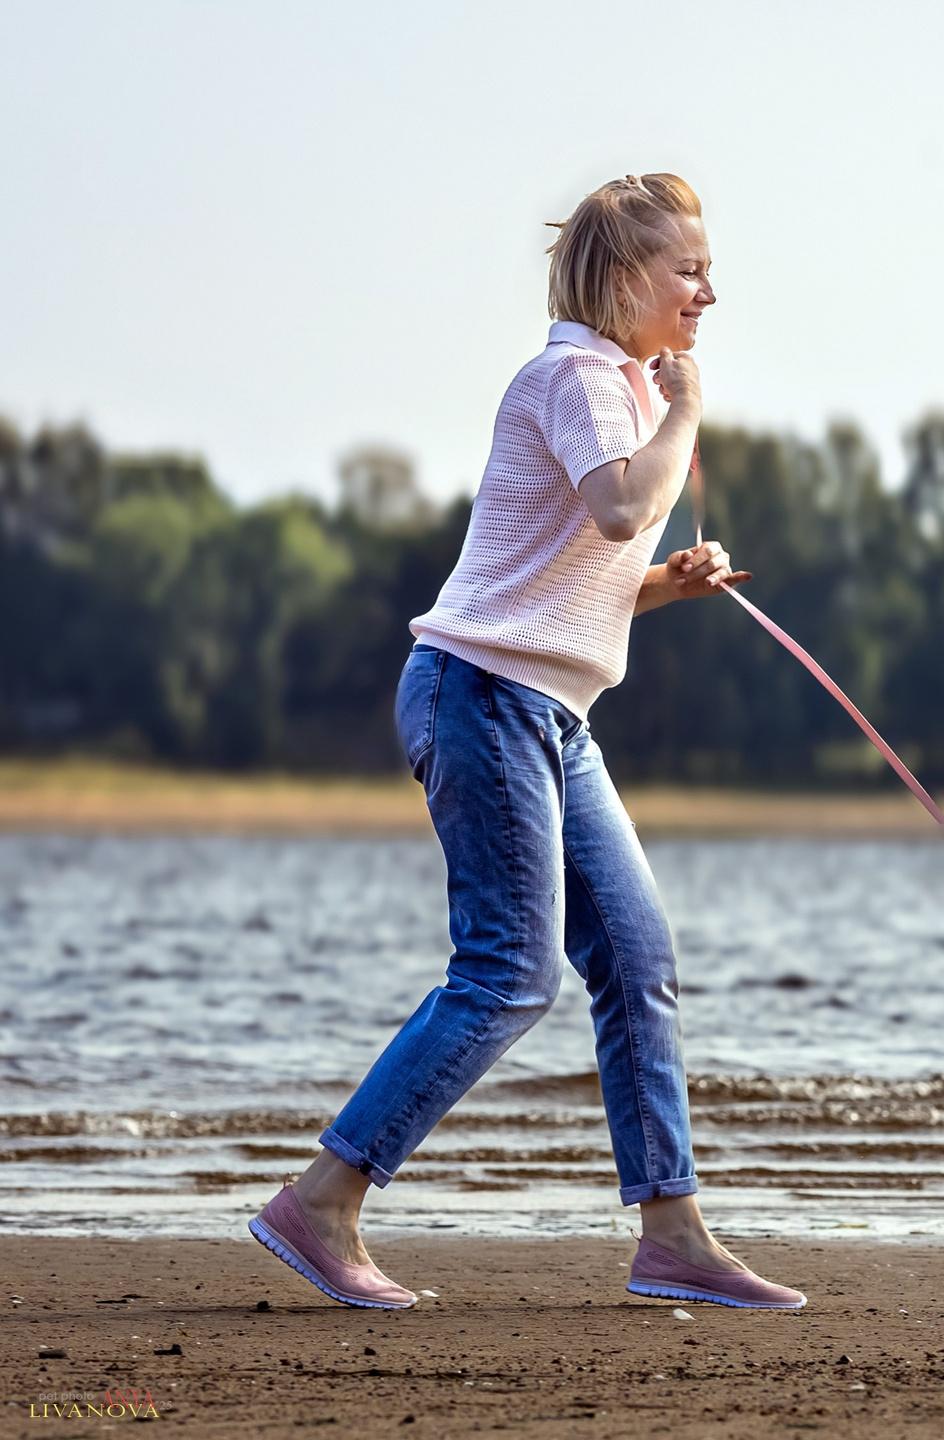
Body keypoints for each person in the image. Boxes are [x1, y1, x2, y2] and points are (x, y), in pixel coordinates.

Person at [246, 173, 803, 1310]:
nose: (709, 290)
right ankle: (324, 1200)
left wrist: (663, 587)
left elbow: (576, 575)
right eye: (688, 269)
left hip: (543, 705)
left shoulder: (614, 389)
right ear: (623, 280)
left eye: (707, 269)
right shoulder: (583, 378)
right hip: (482, 694)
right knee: (508, 973)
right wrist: (688, 407)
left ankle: (673, 1234)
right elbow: (613, 507)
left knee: (636, 959)